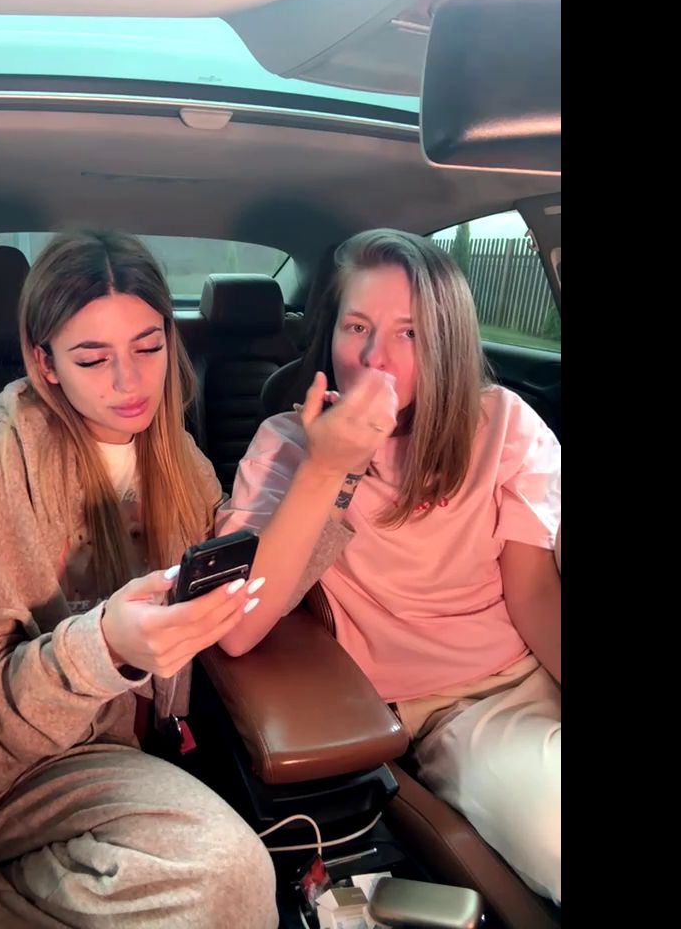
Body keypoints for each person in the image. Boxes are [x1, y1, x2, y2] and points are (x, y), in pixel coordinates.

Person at [0, 230, 275, 929]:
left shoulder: (182, 463)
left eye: (147, 348)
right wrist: (107, 648)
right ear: (46, 363)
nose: (128, 382)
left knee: (234, 879)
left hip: (80, 764)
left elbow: (247, 601)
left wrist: (332, 473)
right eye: (93, 358)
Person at [217, 228, 561, 903]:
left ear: (447, 342)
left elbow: (534, 594)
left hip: (531, 672)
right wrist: (329, 468)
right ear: (329, 335)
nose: (377, 357)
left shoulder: (505, 423)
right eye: (357, 328)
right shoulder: (284, 446)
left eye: (410, 333)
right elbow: (238, 628)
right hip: (448, 715)